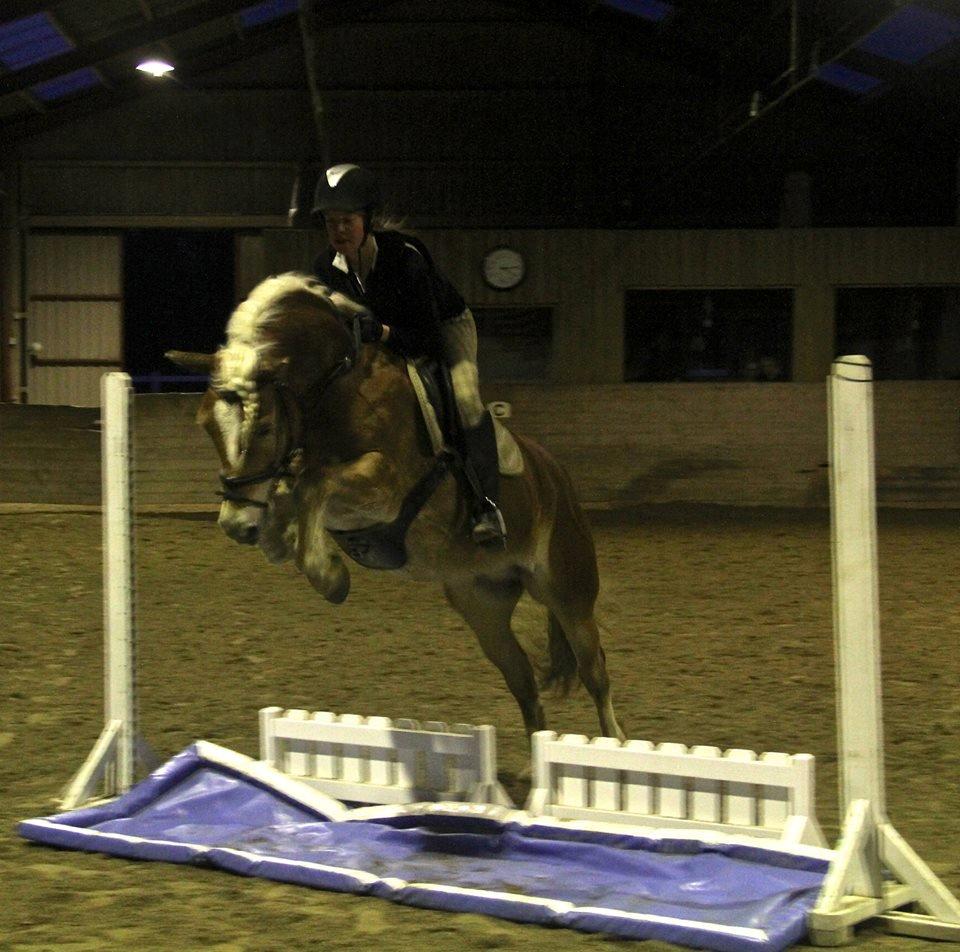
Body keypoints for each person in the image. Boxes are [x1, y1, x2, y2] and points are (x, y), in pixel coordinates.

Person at [310, 163, 506, 546]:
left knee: (464, 398)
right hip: (384, 337)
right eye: (331, 222)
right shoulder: (325, 269)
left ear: (367, 220)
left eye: (347, 221)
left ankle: (486, 505)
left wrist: (383, 332)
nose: (338, 230)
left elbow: (428, 340)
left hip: (443, 327)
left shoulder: (406, 258)